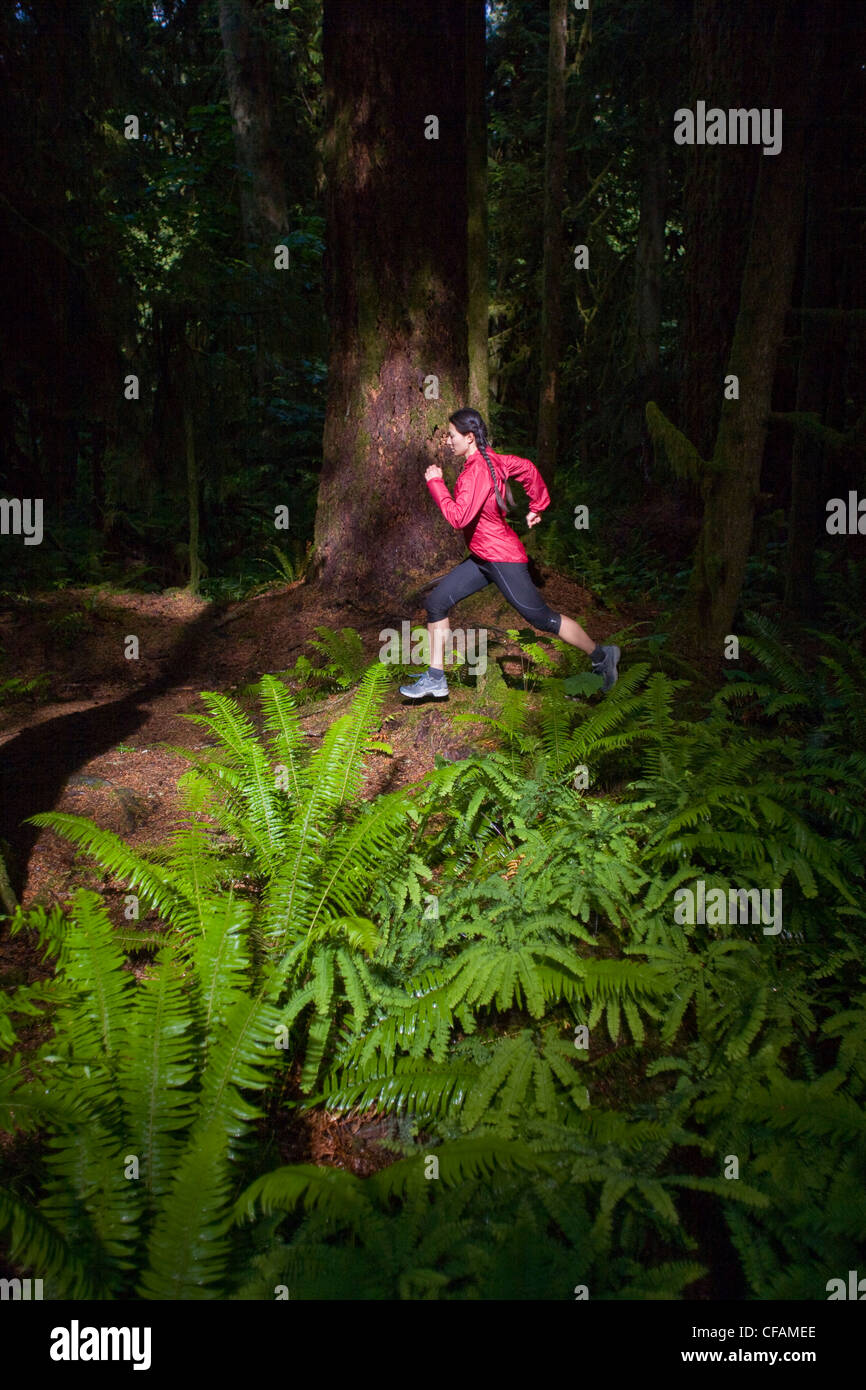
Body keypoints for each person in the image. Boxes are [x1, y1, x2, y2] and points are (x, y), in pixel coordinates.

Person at [399, 407, 620, 700]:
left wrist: (435, 483)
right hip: (482, 557)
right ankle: (435, 679)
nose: (448, 441)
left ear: (468, 438)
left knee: (542, 619)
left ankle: (602, 656)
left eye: (452, 436)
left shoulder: (477, 469)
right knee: (437, 603)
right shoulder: (492, 459)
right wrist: (537, 505)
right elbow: (526, 468)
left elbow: (458, 518)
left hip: (501, 558)